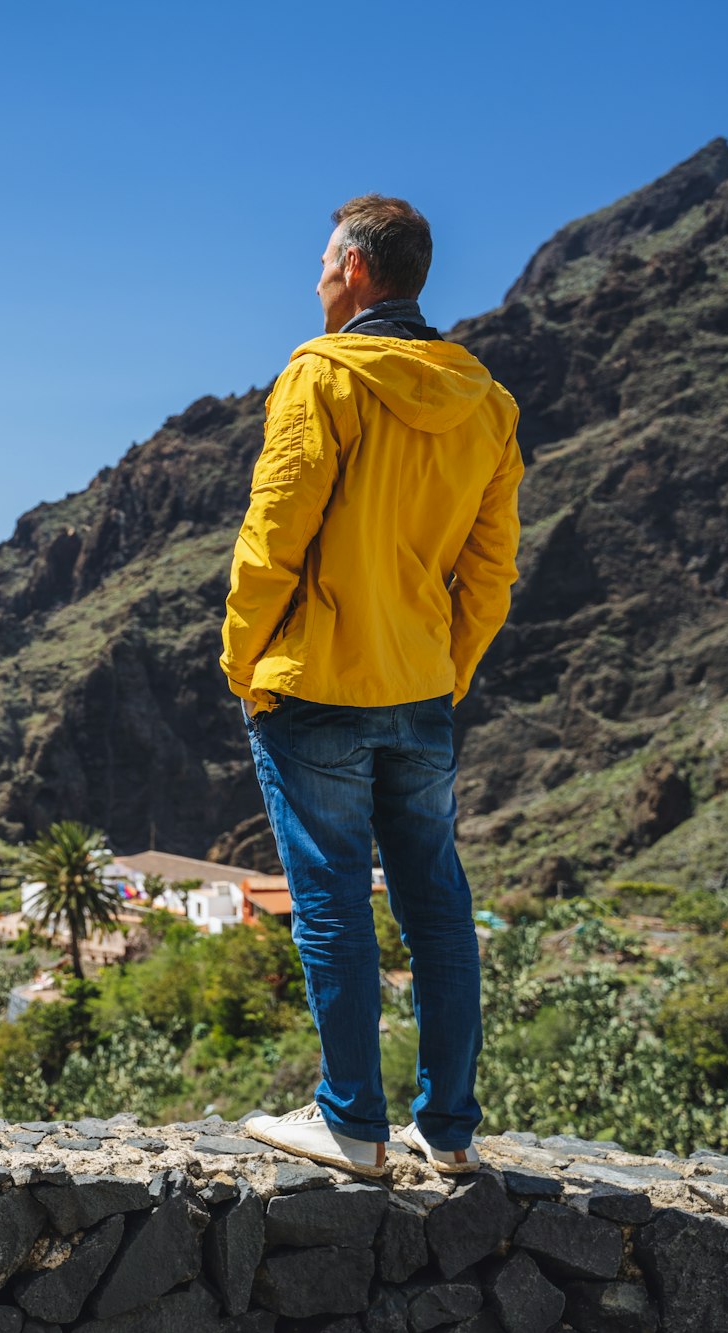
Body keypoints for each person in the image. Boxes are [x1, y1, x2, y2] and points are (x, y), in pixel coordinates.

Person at [222, 195, 524, 1177]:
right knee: (436, 906)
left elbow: (274, 535)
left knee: (330, 906)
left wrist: (241, 662)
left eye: (320, 262)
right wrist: (444, 669)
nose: (313, 279)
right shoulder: (484, 402)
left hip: (314, 688)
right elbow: (488, 572)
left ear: (353, 270)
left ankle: (350, 1120)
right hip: (416, 693)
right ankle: (446, 1130)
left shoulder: (321, 376)